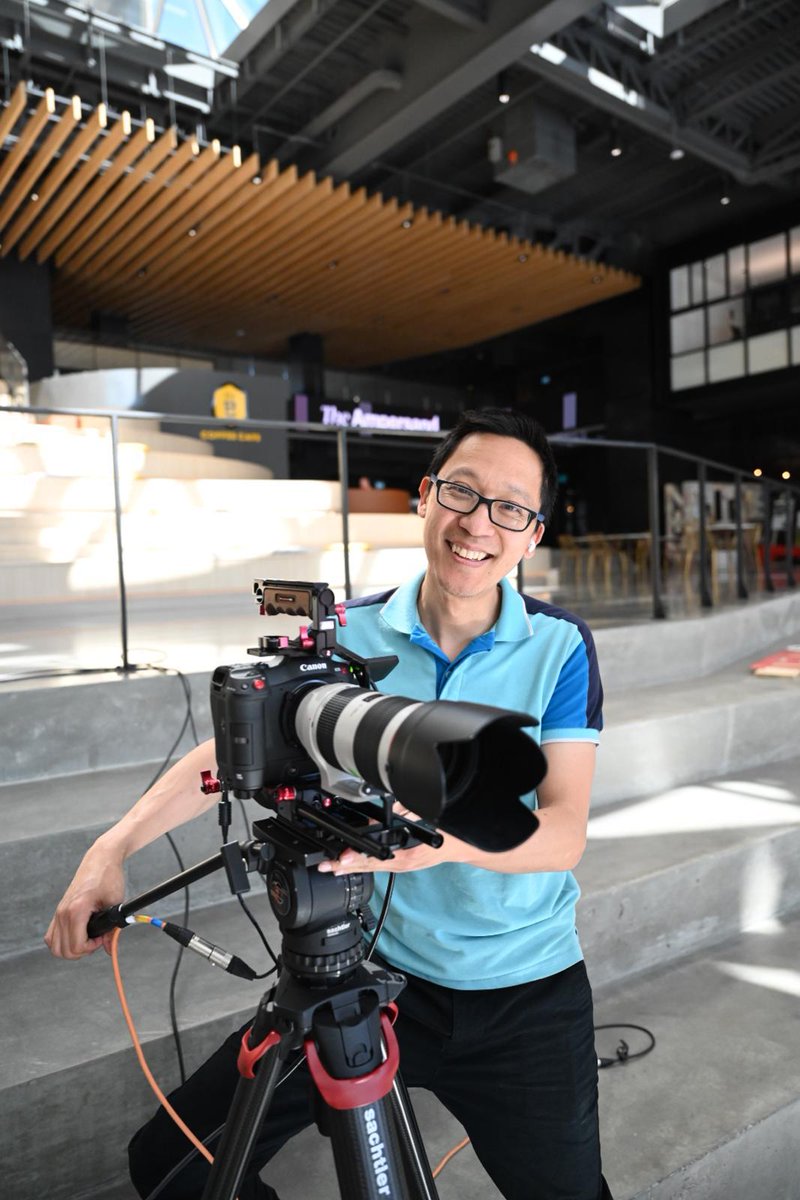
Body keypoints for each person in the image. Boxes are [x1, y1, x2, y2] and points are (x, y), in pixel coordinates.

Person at [46, 407, 610, 1200]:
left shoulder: (559, 645)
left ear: (533, 533)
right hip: (366, 983)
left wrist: (439, 842)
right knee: (171, 1165)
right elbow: (225, 753)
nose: (478, 523)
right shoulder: (346, 631)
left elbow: (563, 835)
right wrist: (109, 849)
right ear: (424, 496)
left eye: (510, 507)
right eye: (461, 492)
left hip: (523, 998)